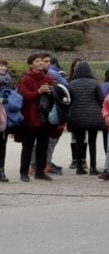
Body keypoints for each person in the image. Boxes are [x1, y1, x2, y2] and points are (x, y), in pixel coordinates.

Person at [17, 54, 55, 182]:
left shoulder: (48, 78)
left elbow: (56, 94)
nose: (40, 63)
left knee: (43, 146)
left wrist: (50, 91)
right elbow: (23, 96)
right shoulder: (26, 79)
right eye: (36, 61)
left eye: (41, 61)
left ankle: (40, 172)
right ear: (31, 65)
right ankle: (24, 172)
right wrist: (38, 92)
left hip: (45, 116)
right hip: (30, 117)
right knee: (27, 146)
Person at [67, 61, 106, 175]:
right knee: (92, 142)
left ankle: (79, 167)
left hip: (76, 116)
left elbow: (69, 101)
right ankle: (93, 168)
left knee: (79, 142)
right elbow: (101, 100)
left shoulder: (72, 83)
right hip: (93, 116)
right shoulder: (95, 83)